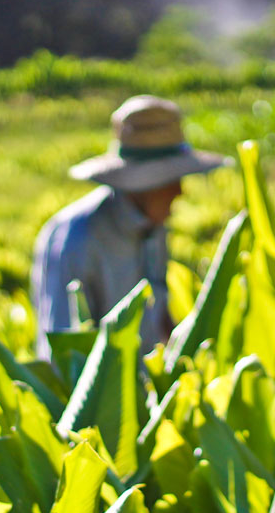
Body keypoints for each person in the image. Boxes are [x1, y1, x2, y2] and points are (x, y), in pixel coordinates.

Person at [31, 95, 226, 360]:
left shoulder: (152, 227)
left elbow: (157, 311)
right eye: (172, 180)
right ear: (145, 186)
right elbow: (65, 350)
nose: (179, 191)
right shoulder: (76, 238)